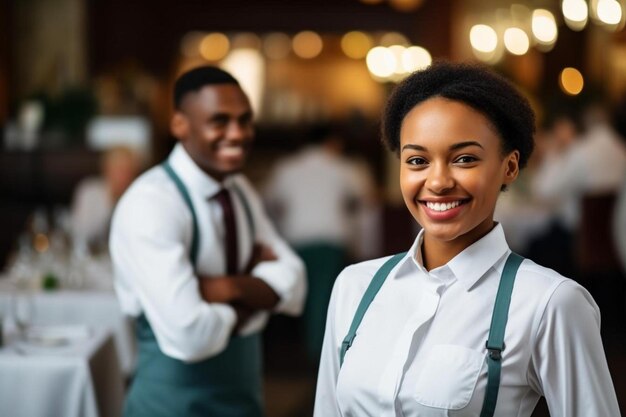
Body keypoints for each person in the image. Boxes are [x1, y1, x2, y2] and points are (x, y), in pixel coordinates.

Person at [314, 62, 620, 416]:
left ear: (510, 166)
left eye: (464, 158)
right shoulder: (354, 287)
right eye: (417, 160)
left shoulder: (549, 303)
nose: (438, 181)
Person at [110, 66, 306, 417]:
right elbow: (191, 333)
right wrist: (257, 295)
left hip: (243, 402)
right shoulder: (151, 203)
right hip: (170, 407)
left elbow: (296, 283)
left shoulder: (240, 190)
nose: (238, 133)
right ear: (179, 124)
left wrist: (226, 287)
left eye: (245, 120)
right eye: (219, 121)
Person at [264, 123, 377, 363]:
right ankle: (318, 354)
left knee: (299, 293)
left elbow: (271, 201)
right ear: (332, 142)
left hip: (295, 238)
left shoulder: (286, 168)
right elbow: (366, 198)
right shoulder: (343, 167)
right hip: (330, 237)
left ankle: (301, 350)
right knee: (321, 295)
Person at [70, 145, 141, 250]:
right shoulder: (89, 191)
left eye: (128, 171)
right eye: (119, 170)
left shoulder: (137, 196)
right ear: (106, 168)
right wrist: (110, 198)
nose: (124, 176)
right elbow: (80, 232)